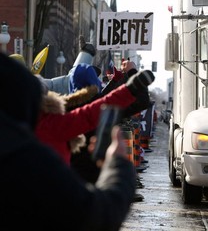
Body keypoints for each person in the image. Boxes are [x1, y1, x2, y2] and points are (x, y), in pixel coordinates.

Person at [0, 52, 136, 230]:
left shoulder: (56, 114)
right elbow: (96, 216)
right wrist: (118, 165)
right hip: (71, 186)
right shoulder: (29, 155)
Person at [35, 69, 155, 165]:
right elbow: (105, 102)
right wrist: (133, 82)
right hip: (96, 173)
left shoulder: (59, 113)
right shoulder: (59, 121)